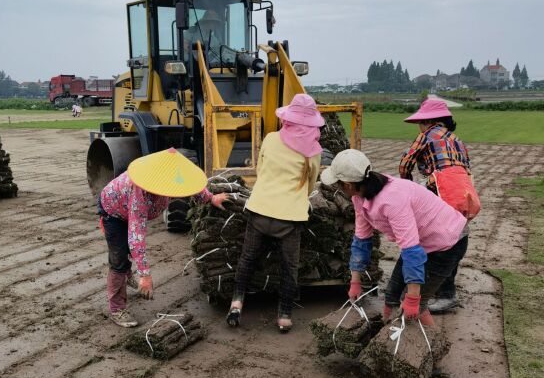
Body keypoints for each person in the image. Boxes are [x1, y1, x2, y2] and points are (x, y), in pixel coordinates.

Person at [321, 149, 469, 327]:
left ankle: (429, 350)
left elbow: (411, 251)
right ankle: (386, 335)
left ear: (348, 185)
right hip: (422, 243)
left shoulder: (392, 200)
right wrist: (355, 281)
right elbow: (361, 240)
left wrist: (413, 298)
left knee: (417, 304)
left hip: (449, 242)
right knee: (392, 296)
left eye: (337, 184)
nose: (336, 188)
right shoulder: (360, 197)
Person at [98, 148, 228, 327]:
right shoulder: (140, 192)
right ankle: (117, 308)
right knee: (119, 257)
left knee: (126, 250)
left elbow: (189, 185)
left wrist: (210, 198)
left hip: (127, 209)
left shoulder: (168, 179)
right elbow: (136, 236)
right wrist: (145, 275)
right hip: (113, 212)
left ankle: (127, 276)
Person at [227, 93, 324, 333]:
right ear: (312, 122)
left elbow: (261, 171)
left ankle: (236, 303)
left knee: (247, 259)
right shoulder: (313, 150)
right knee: (290, 267)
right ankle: (284, 316)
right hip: (290, 218)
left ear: (288, 118)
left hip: (259, 210)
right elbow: (310, 185)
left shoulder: (271, 138)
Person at [399, 98, 474, 313]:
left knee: (438, 243)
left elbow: (406, 163)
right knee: (454, 239)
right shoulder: (457, 139)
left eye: (421, 123)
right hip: (463, 194)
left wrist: (407, 185)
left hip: (441, 192)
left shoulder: (427, 135)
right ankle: (444, 291)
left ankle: (442, 293)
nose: (420, 127)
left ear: (429, 121)